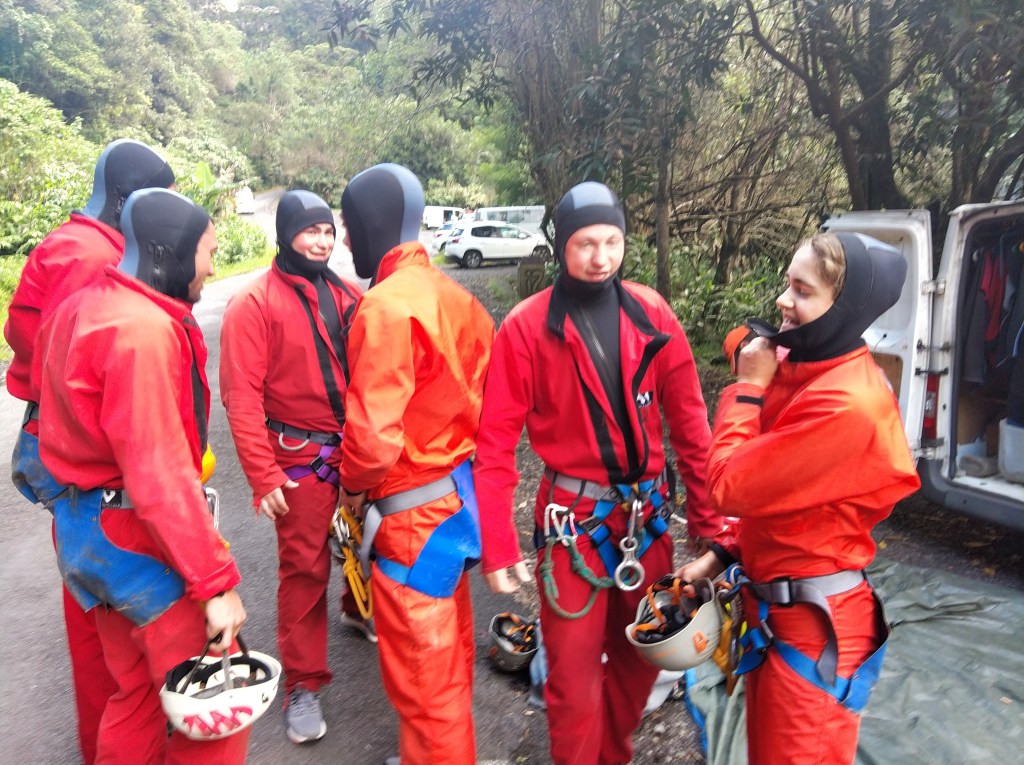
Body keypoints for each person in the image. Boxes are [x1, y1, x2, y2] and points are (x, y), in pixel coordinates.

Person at [472, 180, 723, 765]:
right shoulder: (528, 327)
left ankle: (613, 756)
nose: (601, 257)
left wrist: (709, 523)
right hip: (573, 527)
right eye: (585, 243)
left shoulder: (651, 312)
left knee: (642, 661)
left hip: (646, 520)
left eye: (613, 242)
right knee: (572, 677)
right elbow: (495, 444)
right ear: (562, 245)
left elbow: (690, 422)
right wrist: (499, 545)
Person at [677, 232, 921, 765]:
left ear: (846, 309)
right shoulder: (809, 366)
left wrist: (746, 389)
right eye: (788, 284)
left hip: (815, 634)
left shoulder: (847, 404)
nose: (783, 300)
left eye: (802, 291)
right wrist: (721, 554)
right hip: (778, 616)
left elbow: (728, 486)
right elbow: (783, 499)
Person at [35, 188, 249, 764]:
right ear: (170, 252)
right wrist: (215, 586)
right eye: (208, 252)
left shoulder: (81, 307)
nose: (212, 267)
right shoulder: (143, 331)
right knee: (214, 699)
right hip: (134, 535)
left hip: (87, 529)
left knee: (135, 691)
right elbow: (159, 476)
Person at [3, 138, 175, 765]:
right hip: (94, 470)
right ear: (129, 199)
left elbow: (23, 335)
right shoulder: (95, 257)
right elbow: (85, 366)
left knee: (94, 610)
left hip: (66, 458)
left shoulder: (68, 242)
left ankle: (111, 739)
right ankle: (115, 745)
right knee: (109, 626)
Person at [337, 163, 494, 765]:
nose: (345, 237)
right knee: (450, 661)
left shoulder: (383, 306)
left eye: (348, 223)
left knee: (426, 688)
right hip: (457, 501)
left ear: (368, 223)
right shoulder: (461, 299)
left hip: (409, 517)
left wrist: (351, 491)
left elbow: (373, 439)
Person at [219, 189, 365, 745]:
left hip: (355, 449)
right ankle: (303, 684)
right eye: (310, 231)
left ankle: (357, 608)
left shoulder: (349, 295)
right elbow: (241, 397)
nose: (322, 242)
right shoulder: (254, 304)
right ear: (285, 234)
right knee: (304, 570)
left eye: (328, 231)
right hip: (300, 460)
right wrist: (263, 474)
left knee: (368, 543)